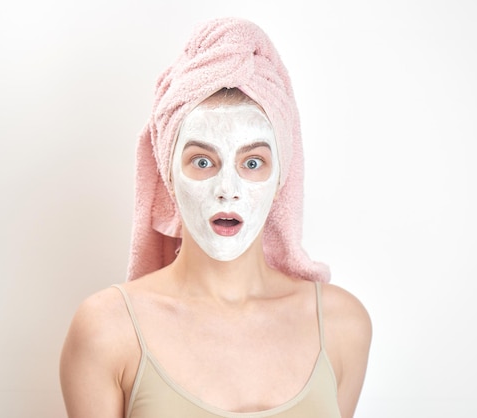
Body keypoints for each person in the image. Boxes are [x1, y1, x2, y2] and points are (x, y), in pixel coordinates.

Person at [60, 17, 371, 418]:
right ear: (167, 175)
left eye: (253, 161)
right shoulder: (107, 330)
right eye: (203, 161)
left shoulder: (342, 325)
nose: (228, 188)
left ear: (282, 177)